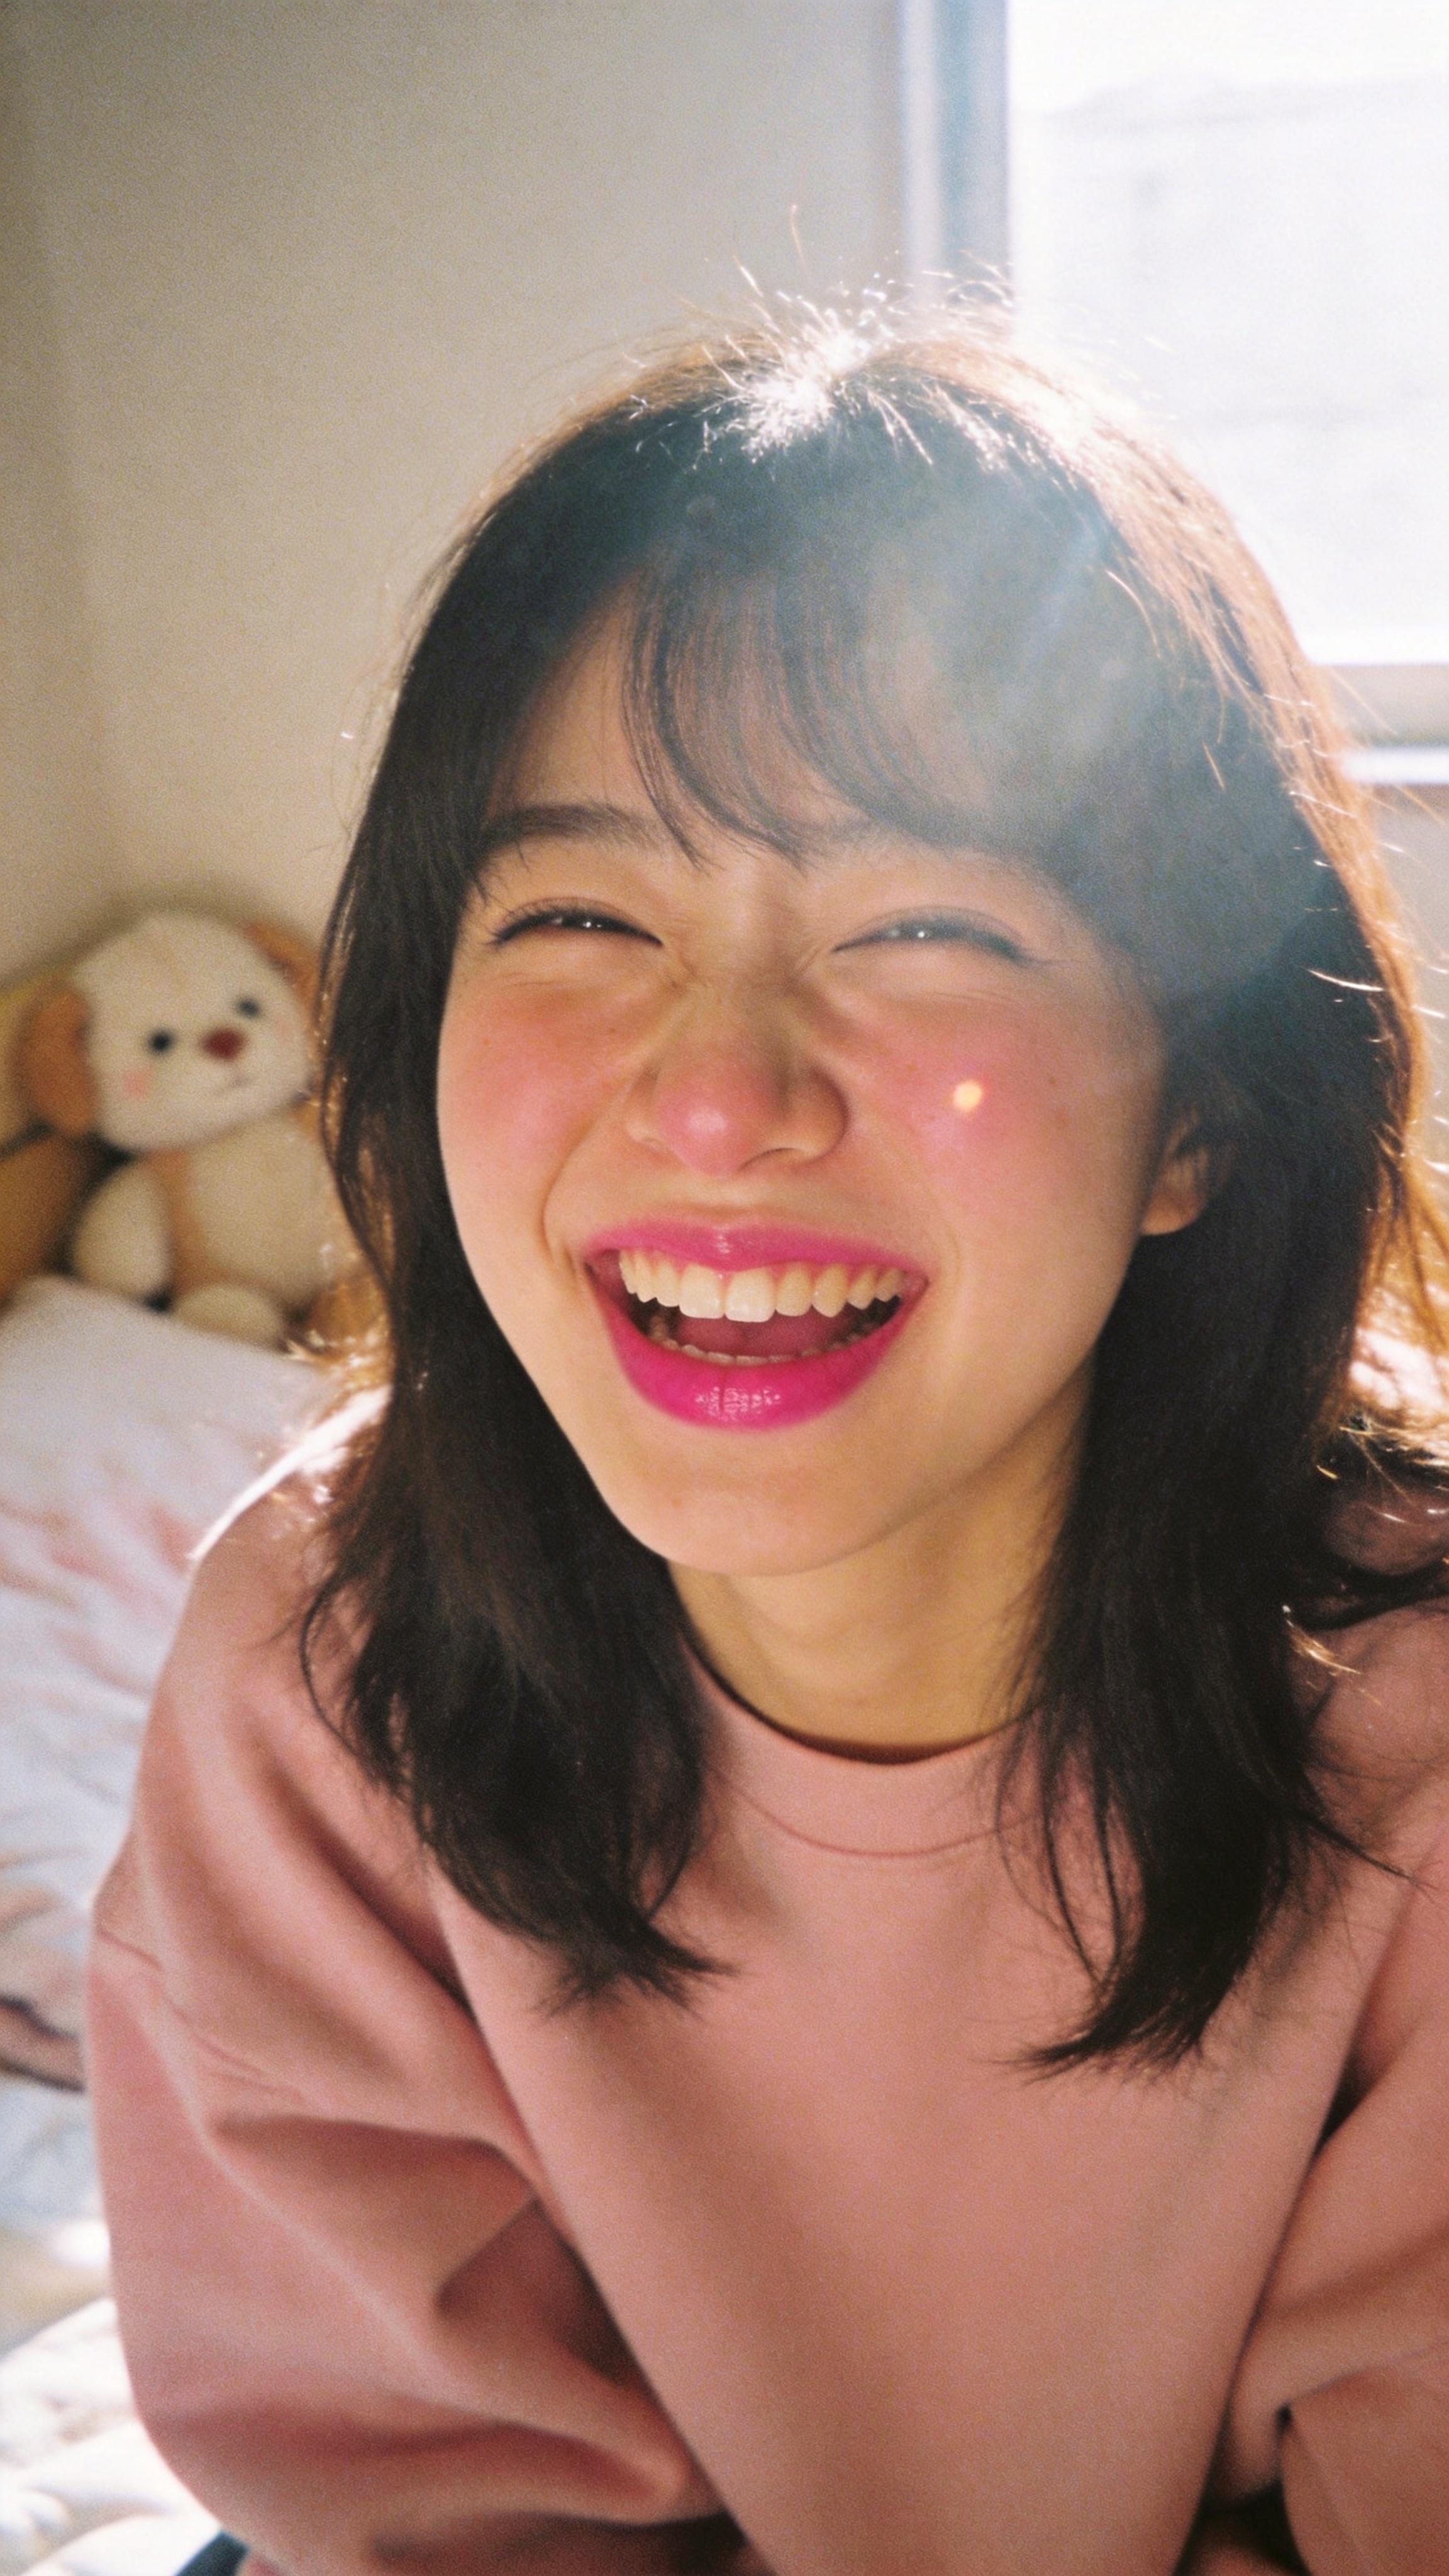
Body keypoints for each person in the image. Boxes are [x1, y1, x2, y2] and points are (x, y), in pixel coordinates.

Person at [88, 310, 1449, 2576]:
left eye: (925, 925)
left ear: (1198, 1113)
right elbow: (411, 2501)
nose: (717, 1102)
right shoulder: (325, 1664)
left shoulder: (1419, 1733)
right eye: (581, 914)